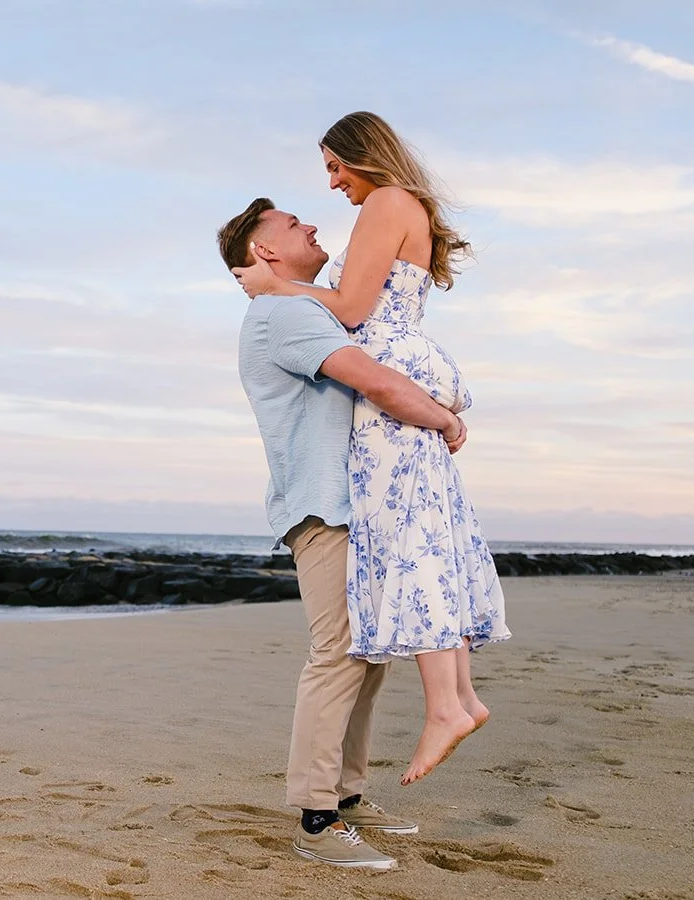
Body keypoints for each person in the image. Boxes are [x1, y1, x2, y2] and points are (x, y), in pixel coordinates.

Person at [232, 111, 510, 788]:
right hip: (329, 492)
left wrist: (282, 282)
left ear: (364, 157)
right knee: (409, 568)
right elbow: (360, 332)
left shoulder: (384, 204)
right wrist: (438, 416)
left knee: (415, 555)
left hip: (383, 406)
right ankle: (339, 792)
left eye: (334, 167)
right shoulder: (285, 313)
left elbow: (355, 314)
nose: (331, 190)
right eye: (326, 172)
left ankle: (430, 721)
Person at [218, 198, 465, 870]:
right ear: (265, 251)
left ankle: (348, 795)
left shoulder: (299, 304)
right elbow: (374, 379)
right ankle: (315, 817)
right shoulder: (282, 315)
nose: (312, 226)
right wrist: (443, 418)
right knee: (340, 653)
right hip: (325, 507)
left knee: (369, 654)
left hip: (354, 505)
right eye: (294, 225)